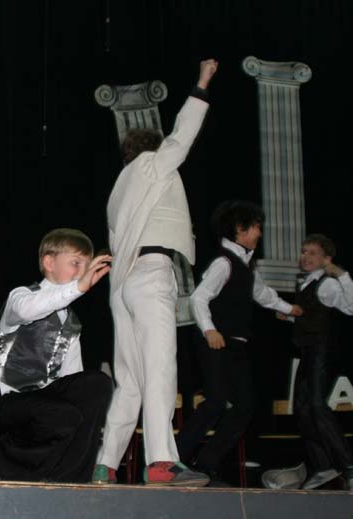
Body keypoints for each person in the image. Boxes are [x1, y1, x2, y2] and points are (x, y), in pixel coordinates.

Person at [94, 59, 218, 486]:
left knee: (130, 379)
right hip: (149, 272)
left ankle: (105, 464)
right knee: (161, 366)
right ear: (151, 149)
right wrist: (201, 85)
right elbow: (182, 136)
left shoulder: (119, 188)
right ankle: (162, 462)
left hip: (122, 285)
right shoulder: (152, 165)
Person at [175, 201, 300, 483]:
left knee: (245, 406)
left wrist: (289, 309)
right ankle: (174, 459)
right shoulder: (224, 263)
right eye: (256, 227)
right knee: (216, 402)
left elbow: (262, 293)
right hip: (214, 342)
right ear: (240, 230)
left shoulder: (246, 264)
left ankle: (206, 462)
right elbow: (198, 298)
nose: (260, 232)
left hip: (235, 345)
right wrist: (209, 330)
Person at [0, 228, 113, 482]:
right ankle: (6, 462)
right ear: (49, 262)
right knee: (59, 414)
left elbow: (73, 379)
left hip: (46, 401)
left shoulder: (72, 323)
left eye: (87, 266)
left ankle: (72, 481)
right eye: (76, 263)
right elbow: (29, 311)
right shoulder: (21, 296)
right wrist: (79, 287)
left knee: (97, 384)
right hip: (9, 401)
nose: (83, 272)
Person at [262, 234, 353, 491]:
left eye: (312, 253)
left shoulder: (328, 283)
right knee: (302, 409)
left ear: (327, 259)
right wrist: (290, 317)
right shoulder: (307, 284)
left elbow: (350, 307)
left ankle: (349, 465)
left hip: (322, 352)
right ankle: (323, 466)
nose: (305, 256)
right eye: (304, 252)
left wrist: (342, 275)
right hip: (308, 351)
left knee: (316, 405)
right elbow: (314, 316)